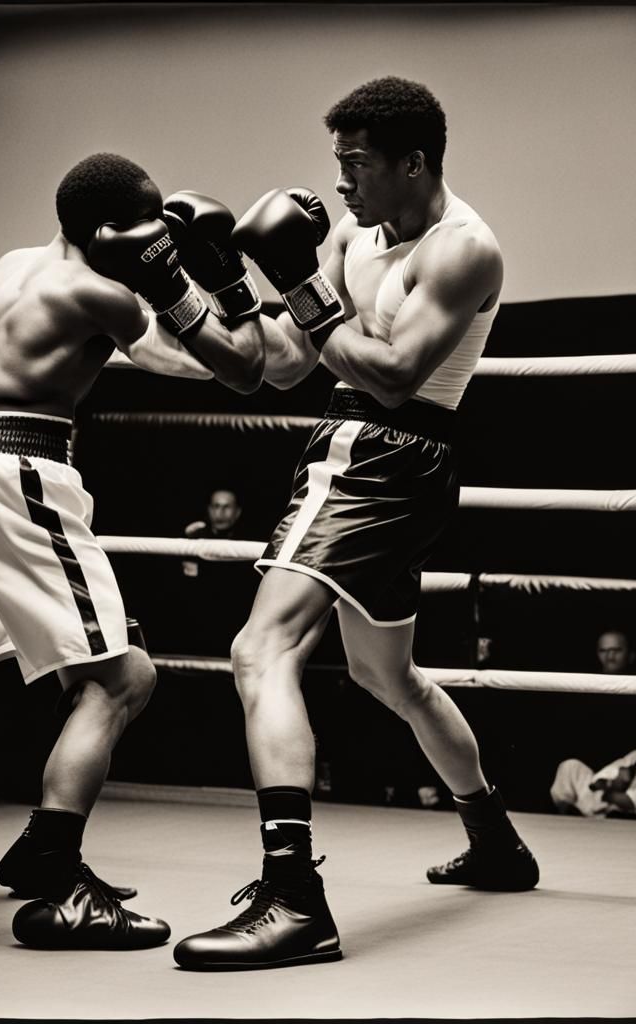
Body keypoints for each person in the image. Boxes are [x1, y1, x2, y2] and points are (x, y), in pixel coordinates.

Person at [170, 77, 539, 972]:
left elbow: (397, 371)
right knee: (391, 678)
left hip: (384, 451)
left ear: (414, 162)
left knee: (261, 653)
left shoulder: (464, 250)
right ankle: (496, 841)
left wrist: (295, 277)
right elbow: (287, 367)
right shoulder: (350, 235)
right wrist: (221, 280)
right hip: (361, 446)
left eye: (358, 164)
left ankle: (295, 899)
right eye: (337, 164)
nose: (341, 184)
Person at [0, 152, 265, 950]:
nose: (158, 244)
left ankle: (39, 847)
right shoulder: (98, 292)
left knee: (92, 668)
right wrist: (225, 285)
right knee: (124, 677)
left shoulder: (5, 269)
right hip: (22, 472)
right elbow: (237, 369)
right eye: (147, 231)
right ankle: (56, 871)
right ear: (112, 231)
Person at [549, 724, 636, 818]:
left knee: (614, 808)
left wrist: (612, 789)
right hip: (599, 800)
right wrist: (617, 778)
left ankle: (575, 816)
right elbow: (599, 779)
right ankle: (566, 815)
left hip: (621, 816)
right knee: (571, 765)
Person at [182, 487, 243, 577]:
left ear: (237, 512)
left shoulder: (247, 539)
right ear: (209, 510)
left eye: (227, 506)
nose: (221, 512)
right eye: (216, 506)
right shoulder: (196, 536)